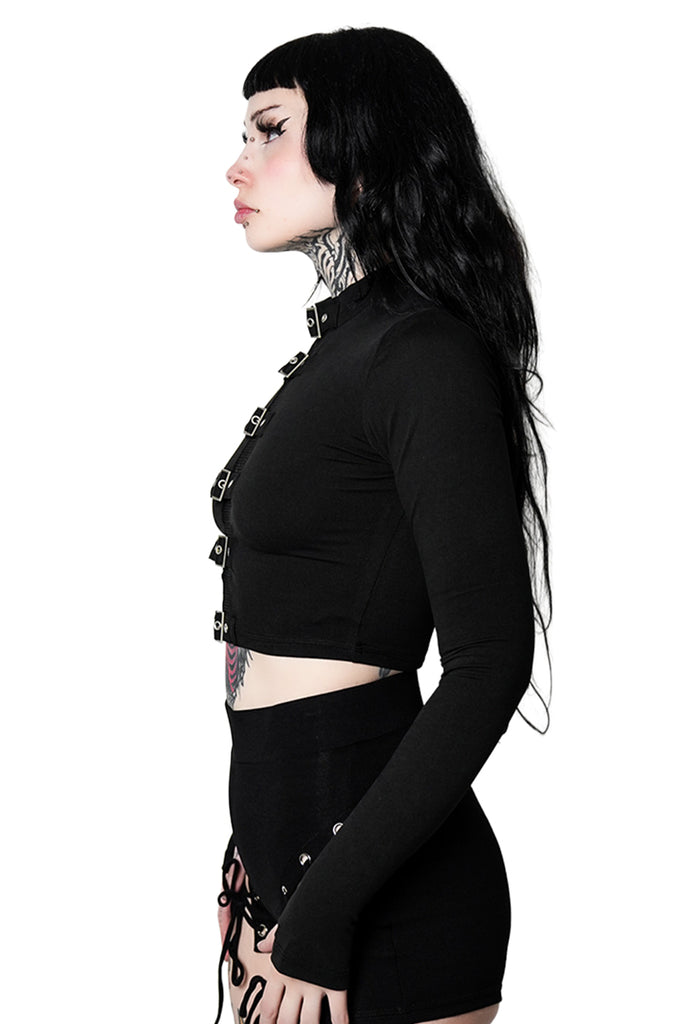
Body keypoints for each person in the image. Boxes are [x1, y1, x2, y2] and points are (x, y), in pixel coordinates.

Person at [209, 26, 552, 1024]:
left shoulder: (420, 353)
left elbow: (487, 663)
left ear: (365, 148)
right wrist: (253, 853)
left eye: (270, 129)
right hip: (293, 877)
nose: (238, 163)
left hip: (377, 904)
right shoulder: (348, 345)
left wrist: (320, 916)